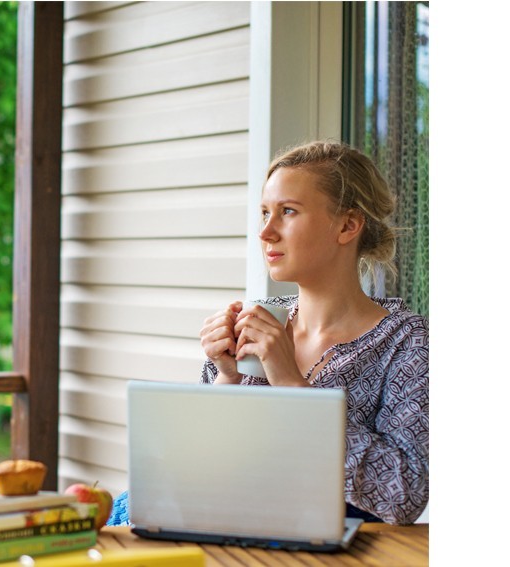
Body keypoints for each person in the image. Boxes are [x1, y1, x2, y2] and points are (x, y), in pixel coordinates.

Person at [108, 140, 428, 527]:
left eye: (287, 212)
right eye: (264, 213)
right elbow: (198, 467)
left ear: (347, 225)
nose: (266, 233)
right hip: (214, 530)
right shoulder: (256, 322)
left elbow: (403, 493)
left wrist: (292, 386)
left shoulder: (407, 344)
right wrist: (226, 377)